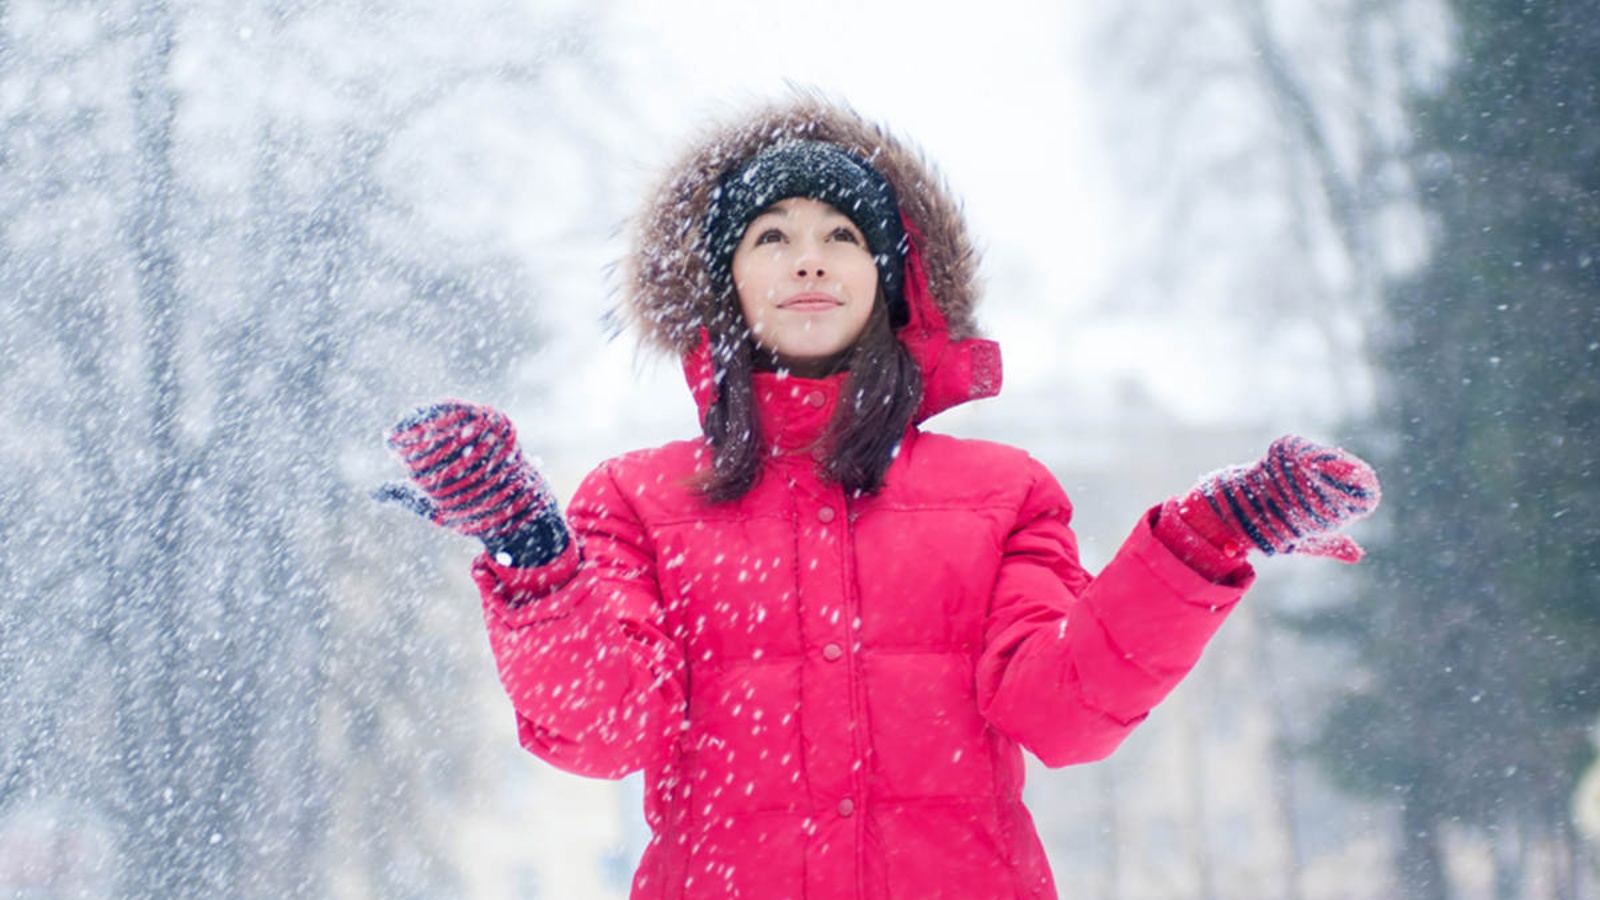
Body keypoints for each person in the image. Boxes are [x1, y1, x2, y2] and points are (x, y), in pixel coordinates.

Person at [378, 92, 1381, 900]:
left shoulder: (1002, 494)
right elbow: (606, 733)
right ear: (723, 283)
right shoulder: (638, 500)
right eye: (768, 236)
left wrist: (1212, 535)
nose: (806, 255)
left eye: (840, 235)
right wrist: (529, 550)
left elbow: (1062, 713)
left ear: (892, 280)